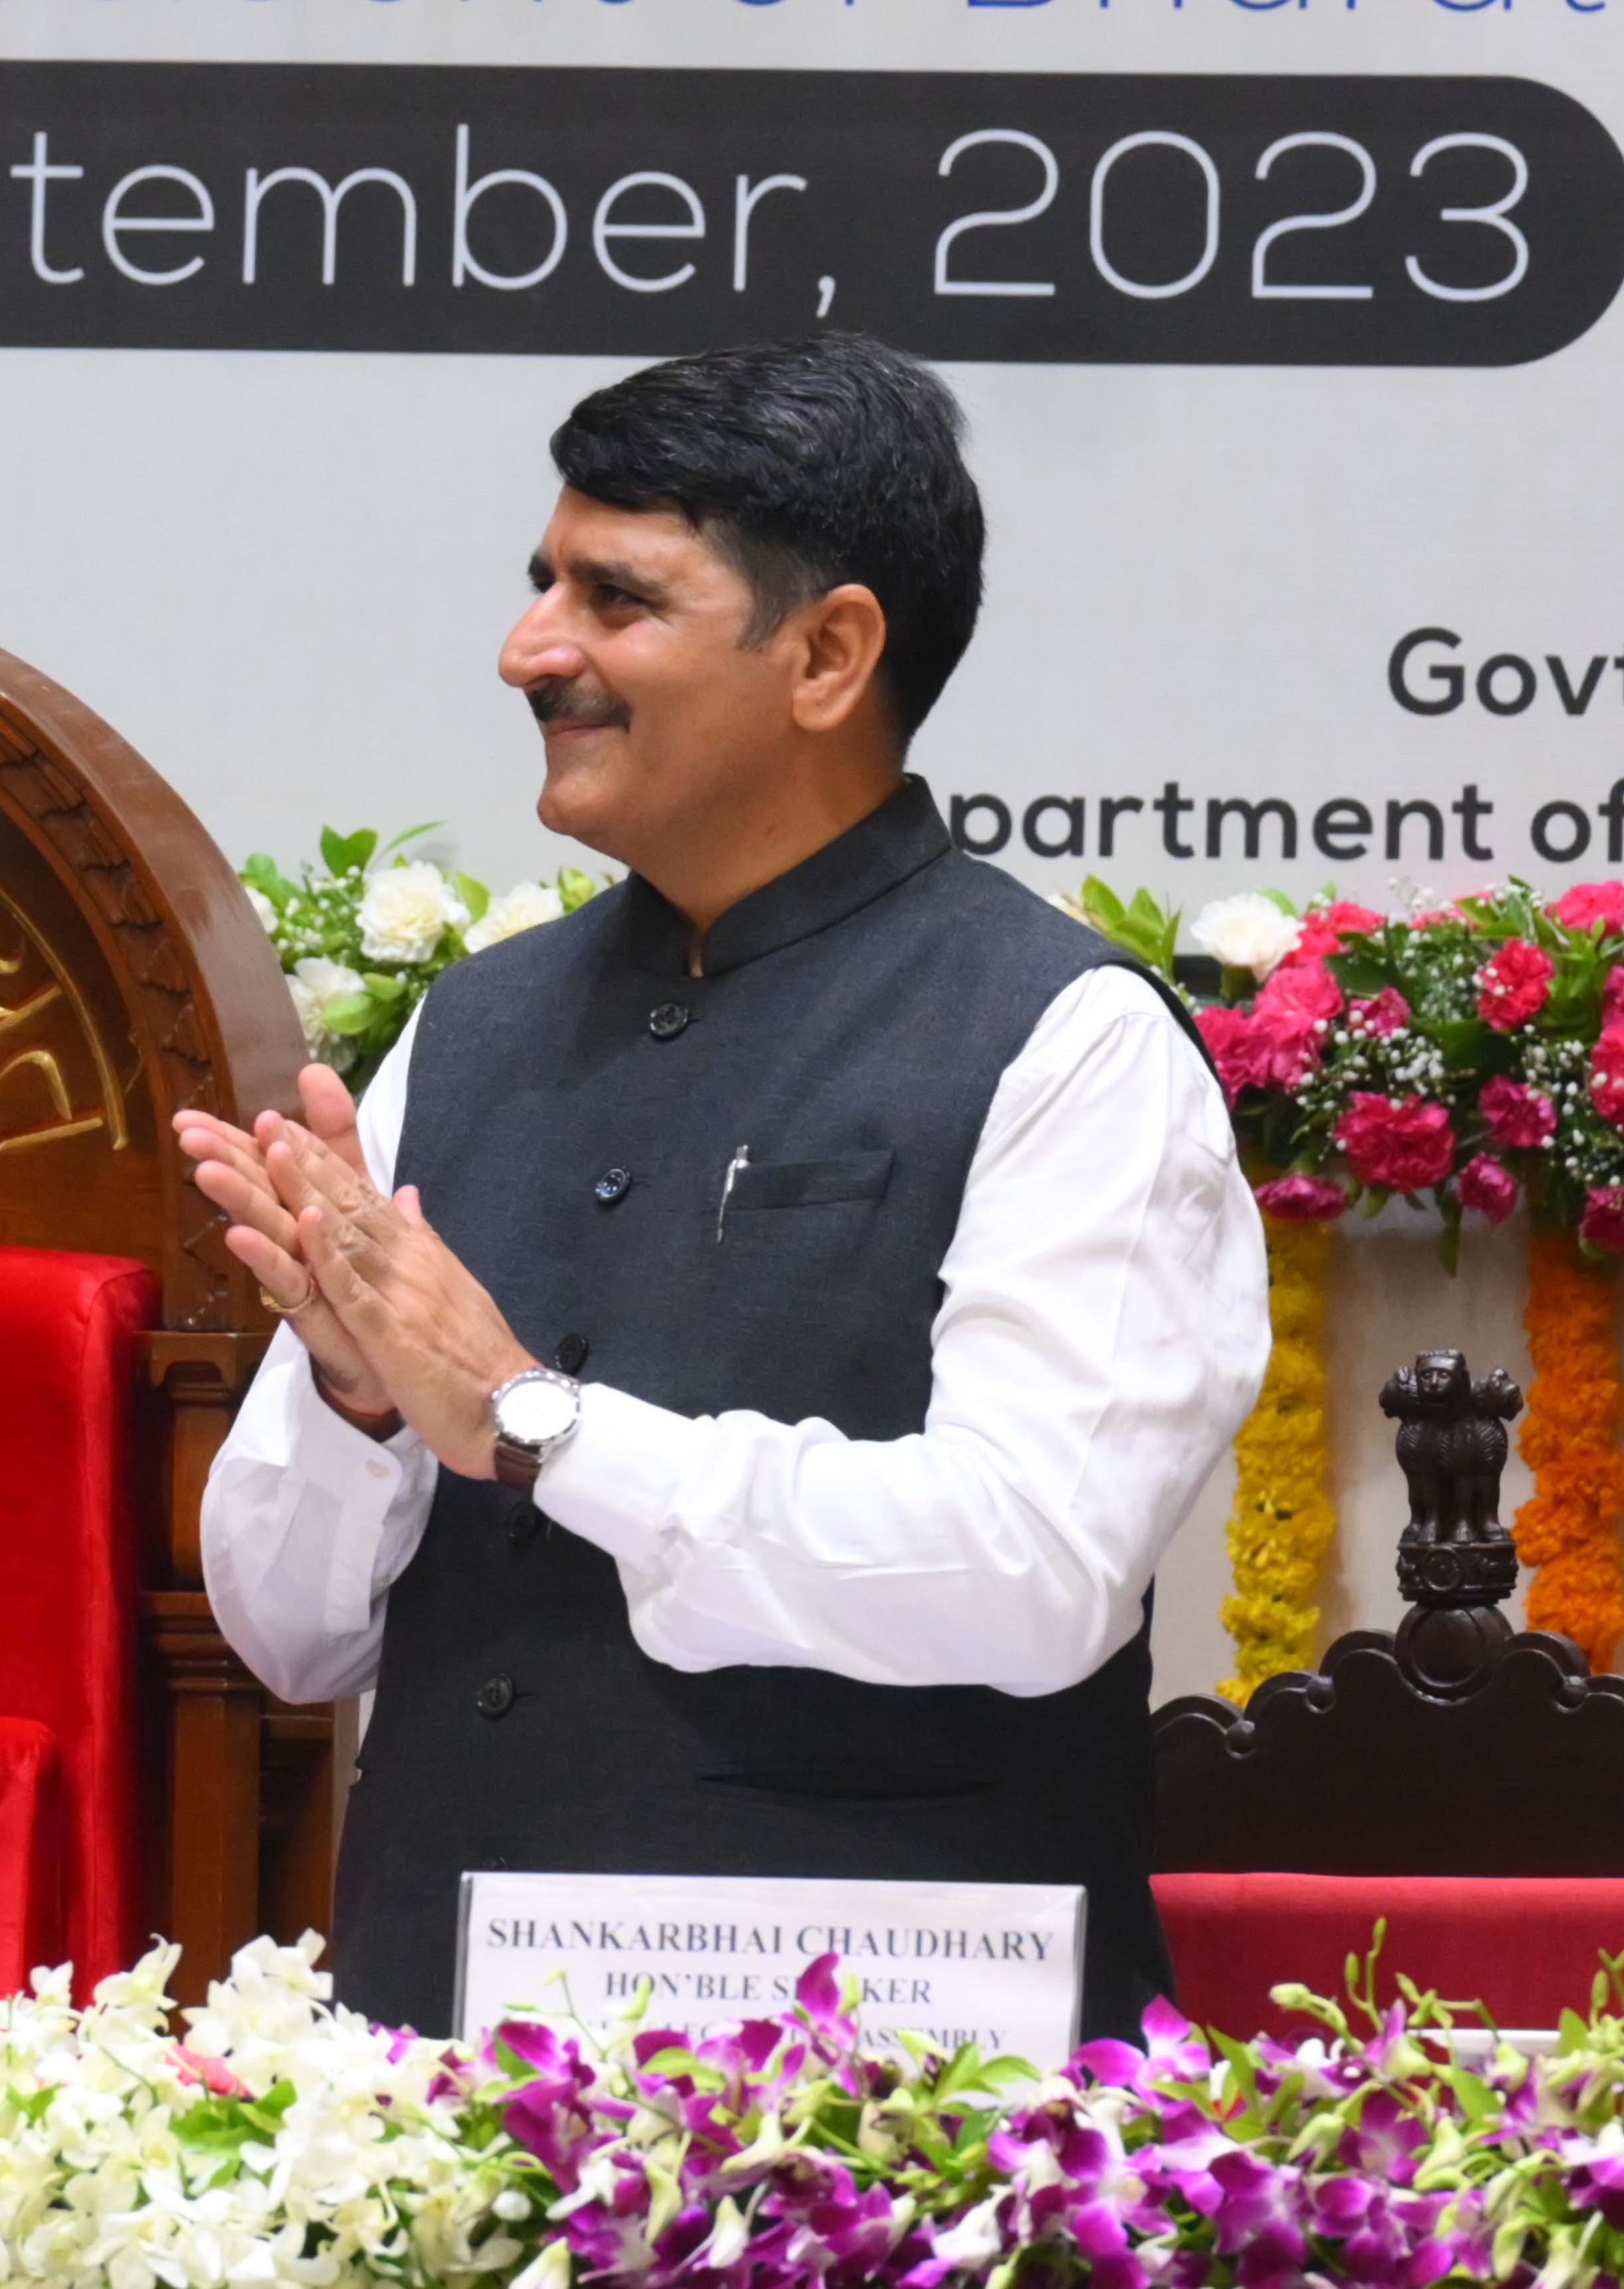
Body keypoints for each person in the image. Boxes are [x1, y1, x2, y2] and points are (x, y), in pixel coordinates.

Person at [182, 335, 1266, 2037]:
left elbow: (1034, 1562)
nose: (528, 649)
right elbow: (290, 1643)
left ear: (829, 652)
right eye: (540, 582)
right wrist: (355, 1390)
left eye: (614, 599)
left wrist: (539, 1427)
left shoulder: (1068, 1040)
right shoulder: (470, 1030)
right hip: (444, 2078)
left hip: (886, 2110)